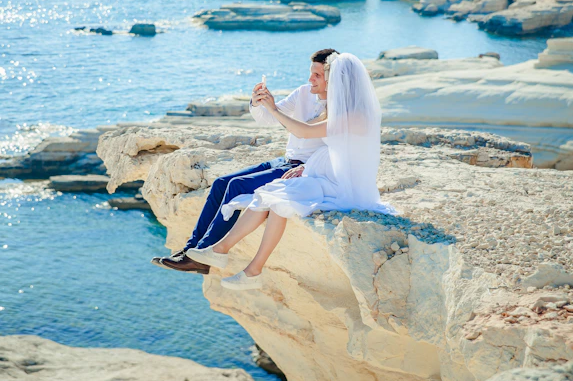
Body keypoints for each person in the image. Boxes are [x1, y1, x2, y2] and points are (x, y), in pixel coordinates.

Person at [186, 53, 396, 289]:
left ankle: (233, 258)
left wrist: (274, 110)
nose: (311, 79)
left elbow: (306, 132)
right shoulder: (337, 109)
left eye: (319, 75)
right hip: (323, 167)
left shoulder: (356, 115)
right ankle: (231, 257)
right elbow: (320, 135)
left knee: (277, 196)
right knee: (274, 196)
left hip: (343, 180)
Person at [152, 48, 338, 274]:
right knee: (221, 183)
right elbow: (268, 118)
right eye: (311, 73)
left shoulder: (341, 109)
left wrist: (306, 168)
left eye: (317, 75)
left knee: (236, 186)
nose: (310, 79)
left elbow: (339, 150)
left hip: (302, 168)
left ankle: (204, 254)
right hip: (284, 159)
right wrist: (258, 102)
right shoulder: (302, 93)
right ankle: (190, 250)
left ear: (331, 78)